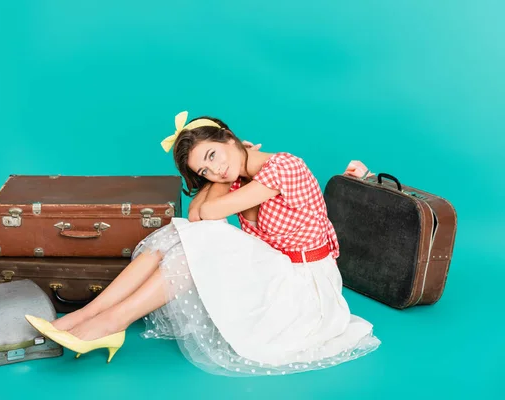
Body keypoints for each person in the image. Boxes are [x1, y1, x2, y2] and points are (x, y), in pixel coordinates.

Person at [25, 111, 381, 376]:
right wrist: (227, 169)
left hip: (305, 286)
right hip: (277, 271)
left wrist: (229, 166)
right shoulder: (239, 180)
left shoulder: (284, 166)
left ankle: (108, 324)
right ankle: (86, 316)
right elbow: (195, 214)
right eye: (204, 172)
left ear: (228, 137)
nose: (216, 172)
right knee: (182, 233)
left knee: (205, 238)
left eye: (213, 155)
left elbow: (207, 216)